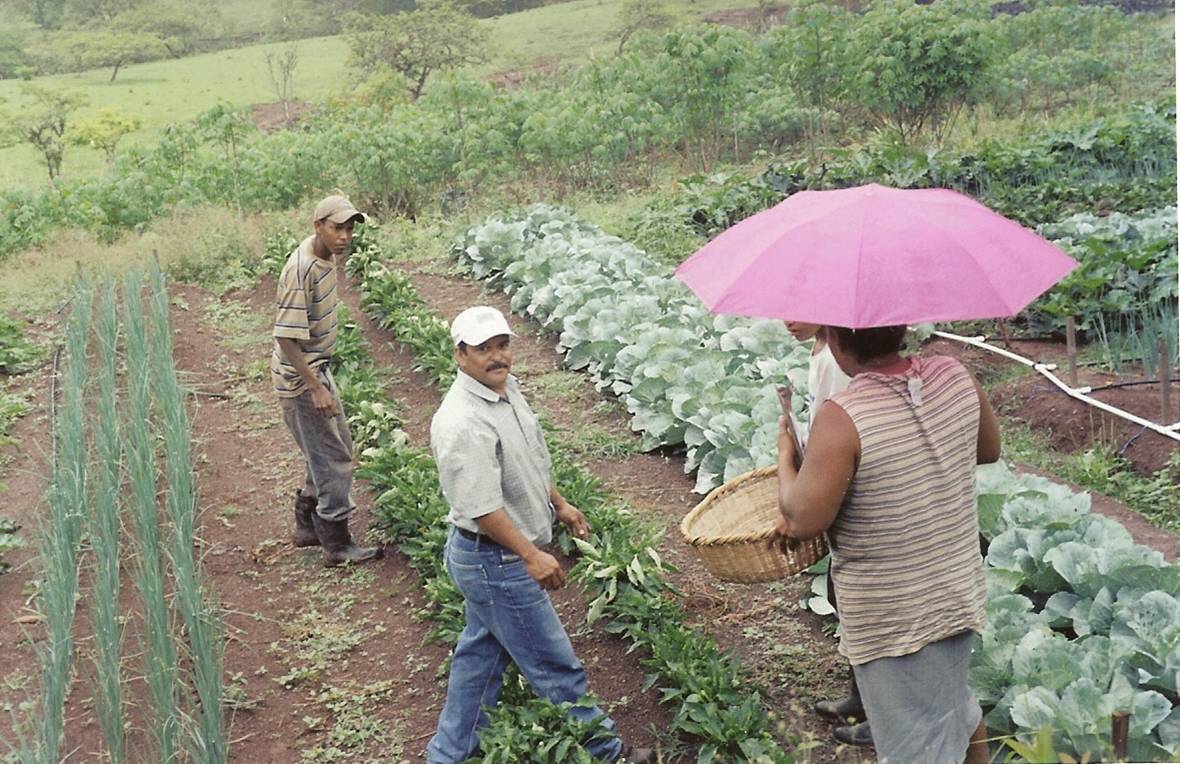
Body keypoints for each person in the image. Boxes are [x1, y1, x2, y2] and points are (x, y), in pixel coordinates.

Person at [426, 306, 655, 764]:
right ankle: (608, 753)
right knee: (552, 663)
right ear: (460, 354)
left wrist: (560, 504)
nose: (496, 356)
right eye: (483, 349)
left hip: (494, 560)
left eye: (502, 345)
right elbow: (482, 507)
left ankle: (448, 755)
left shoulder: (505, 391)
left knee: (481, 660)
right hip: (495, 560)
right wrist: (530, 553)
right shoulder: (463, 421)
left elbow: (527, 460)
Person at [772, 325, 1000, 764]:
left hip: (894, 617)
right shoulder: (955, 375)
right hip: (957, 591)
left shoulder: (843, 415)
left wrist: (786, 454)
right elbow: (987, 449)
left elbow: (801, 519)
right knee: (955, 709)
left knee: (916, 748)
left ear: (835, 342)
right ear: (902, 328)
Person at [272, 194, 383, 568]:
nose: (345, 236)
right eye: (338, 228)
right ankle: (336, 542)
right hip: (303, 378)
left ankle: (306, 525)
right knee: (335, 456)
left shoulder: (323, 257)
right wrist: (315, 387)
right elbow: (285, 337)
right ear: (317, 224)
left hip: (315, 368)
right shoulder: (300, 269)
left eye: (350, 228)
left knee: (326, 447)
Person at [782, 322, 869, 747]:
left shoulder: (838, 358)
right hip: (833, 477)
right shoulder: (822, 350)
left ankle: (878, 708)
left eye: (798, 310)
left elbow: (841, 426)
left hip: (848, 487)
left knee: (855, 603)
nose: (788, 320)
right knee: (840, 597)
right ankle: (861, 696)